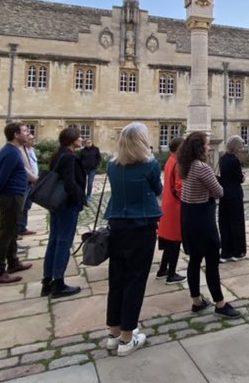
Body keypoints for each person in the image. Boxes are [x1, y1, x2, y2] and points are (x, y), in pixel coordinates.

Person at [103, 122, 163, 356]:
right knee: (135, 281)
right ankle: (128, 338)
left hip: (117, 225)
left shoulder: (112, 166)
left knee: (116, 279)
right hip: (141, 226)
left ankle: (113, 333)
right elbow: (158, 189)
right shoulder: (151, 165)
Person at [177, 132, 241, 318]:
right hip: (202, 216)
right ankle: (220, 304)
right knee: (212, 262)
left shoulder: (185, 165)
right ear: (199, 147)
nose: (209, 147)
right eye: (206, 144)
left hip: (188, 215)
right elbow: (219, 191)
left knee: (195, 260)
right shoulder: (201, 167)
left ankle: (197, 301)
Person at [0, 123, 33, 284]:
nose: (28, 133)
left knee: (12, 231)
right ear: (16, 135)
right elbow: (2, 177)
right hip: (10, 197)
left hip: (14, 195)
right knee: (6, 234)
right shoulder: (10, 152)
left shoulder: (13, 151)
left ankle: (13, 262)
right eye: (24, 131)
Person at [40, 126, 85, 298]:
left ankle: (47, 281)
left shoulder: (58, 155)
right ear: (72, 140)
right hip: (66, 204)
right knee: (63, 242)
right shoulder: (68, 157)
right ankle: (58, 283)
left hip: (56, 204)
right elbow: (70, 183)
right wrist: (80, 198)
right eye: (79, 137)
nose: (81, 139)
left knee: (54, 241)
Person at [155, 136, 186, 284]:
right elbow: (179, 187)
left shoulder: (170, 160)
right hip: (175, 206)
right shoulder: (178, 162)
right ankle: (171, 274)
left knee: (169, 240)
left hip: (167, 204)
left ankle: (162, 269)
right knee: (175, 242)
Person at [217, 136, 247, 262]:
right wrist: (243, 177)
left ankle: (225, 252)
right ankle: (237, 251)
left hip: (224, 193)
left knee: (225, 222)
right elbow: (239, 178)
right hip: (234, 194)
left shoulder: (223, 158)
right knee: (236, 223)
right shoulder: (235, 160)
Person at [18, 130, 39, 237]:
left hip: (31, 183)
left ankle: (22, 228)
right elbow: (24, 168)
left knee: (26, 207)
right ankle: (16, 232)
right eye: (30, 139)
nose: (32, 141)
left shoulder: (31, 150)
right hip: (26, 182)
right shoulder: (19, 151)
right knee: (20, 208)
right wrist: (33, 179)